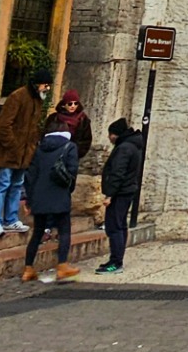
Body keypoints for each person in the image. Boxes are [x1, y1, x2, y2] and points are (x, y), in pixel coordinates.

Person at [0, 69, 51, 237]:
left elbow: (33, 127)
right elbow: (3, 125)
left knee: (16, 186)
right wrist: (13, 145)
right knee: (2, 185)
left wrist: (30, 146)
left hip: (24, 154)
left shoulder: (37, 101)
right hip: (10, 153)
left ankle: (11, 219)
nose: (47, 89)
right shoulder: (17, 97)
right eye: (46, 85)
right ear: (37, 84)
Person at [21, 124, 80, 283]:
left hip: (39, 196)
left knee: (37, 233)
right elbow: (72, 171)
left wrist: (29, 198)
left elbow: (31, 174)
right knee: (64, 230)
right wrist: (68, 190)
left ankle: (28, 268)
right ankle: (62, 266)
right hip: (59, 194)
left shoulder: (40, 148)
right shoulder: (70, 146)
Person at [97, 118, 144, 274]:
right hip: (127, 190)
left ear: (115, 134)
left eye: (110, 134)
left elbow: (118, 172)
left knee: (115, 226)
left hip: (121, 192)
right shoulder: (132, 146)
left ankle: (116, 262)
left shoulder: (124, 148)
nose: (109, 138)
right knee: (120, 225)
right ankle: (116, 259)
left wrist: (109, 195)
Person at [51, 89, 93, 159]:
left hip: (72, 156)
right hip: (54, 155)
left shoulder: (83, 119)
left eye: (76, 103)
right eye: (70, 104)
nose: (73, 106)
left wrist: (76, 153)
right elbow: (46, 135)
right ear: (64, 104)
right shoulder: (54, 118)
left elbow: (86, 140)